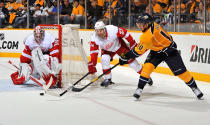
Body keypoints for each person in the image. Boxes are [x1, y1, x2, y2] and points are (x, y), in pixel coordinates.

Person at [119, 13, 204, 100]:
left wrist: (125, 56)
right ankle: (139, 88)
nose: (139, 26)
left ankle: (195, 88)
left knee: (182, 73)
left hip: (169, 51)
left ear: (147, 24)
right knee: (147, 68)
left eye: (141, 24)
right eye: (138, 24)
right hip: (157, 51)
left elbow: (137, 52)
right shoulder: (154, 25)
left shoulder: (146, 36)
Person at [88, 20, 153, 87]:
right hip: (107, 50)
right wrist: (93, 64)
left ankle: (146, 76)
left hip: (119, 47)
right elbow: (94, 52)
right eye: (97, 31)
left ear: (104, 29)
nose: (99, 33)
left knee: (132, 64)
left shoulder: (112, 30)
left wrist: (132, 43)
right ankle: (108, 79)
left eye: (101, 30)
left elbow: (125, 33)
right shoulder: (94, 38)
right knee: (104, 59)